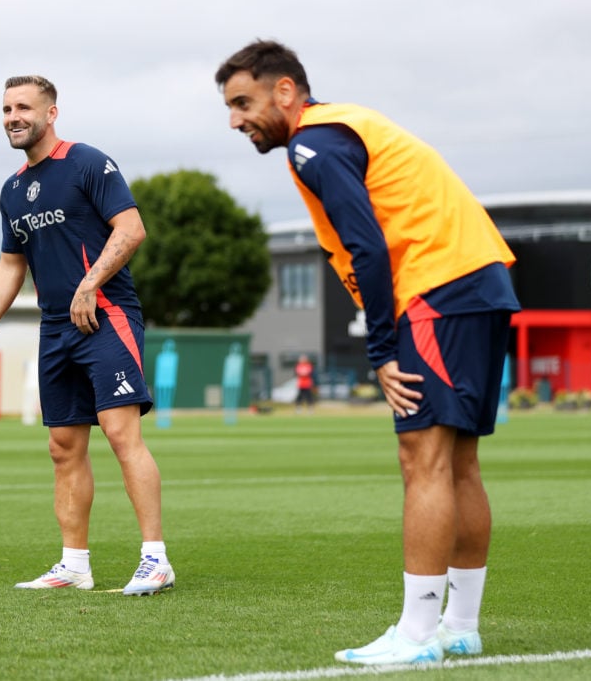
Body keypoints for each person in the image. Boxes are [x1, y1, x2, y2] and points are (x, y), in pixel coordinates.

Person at [215, 41, 520, 665]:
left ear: (284, 91)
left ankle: (416, 635)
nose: (235, 120)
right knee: (459, 464)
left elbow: (369, 246)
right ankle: (460, 627)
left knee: (424, 458)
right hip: (477, 281)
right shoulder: (342, 125)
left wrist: (381, 347)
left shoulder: (312, 143)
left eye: (243, 102)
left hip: (437, 289)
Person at [0, 75, 174, 596]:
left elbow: (132, 230)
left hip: (106, 315)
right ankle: (74, 564)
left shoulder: (88, 163)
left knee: (122, 435)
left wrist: (89, 284)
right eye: (7, 108)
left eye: (24, 107)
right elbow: (12, 265)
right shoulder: (13, 189)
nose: (13, 116)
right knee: (62, 447)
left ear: (51, 113)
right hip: (55, 327)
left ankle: (155, 559)